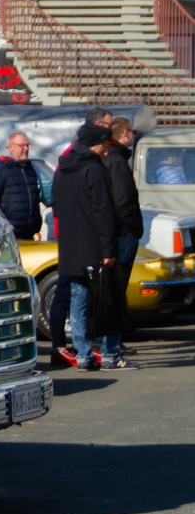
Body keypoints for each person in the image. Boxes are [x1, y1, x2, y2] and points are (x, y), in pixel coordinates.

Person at [50, 123, 119, 371]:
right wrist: (109, 249)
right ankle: (104, 351)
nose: (106, 150)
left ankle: (83, 353)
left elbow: (55, 205)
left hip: (70, 244)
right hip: (92, 244)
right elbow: (103, 212)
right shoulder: (94, 170)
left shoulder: (62, 169)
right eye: (104, 144)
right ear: (96, 144)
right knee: (99, 298)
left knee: (76, 298)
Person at [99, 118, 143, 368]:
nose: (134, 136)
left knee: (110, 293)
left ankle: (108, 346)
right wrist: (134, 228)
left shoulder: (110, 158)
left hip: (116, 233)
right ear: (125, 133)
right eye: (132, 132)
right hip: (123, 234)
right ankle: (110, 350)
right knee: (115, 293)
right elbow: (123, 201)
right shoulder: (116, 160)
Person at [0, 132, 43, 240]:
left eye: (27, 145)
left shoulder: (29, 169)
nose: (26, 149)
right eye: (22, 145)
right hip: (8, 233)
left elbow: (34, 198)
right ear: (11, 147)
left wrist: (37, 222)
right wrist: (1, 227)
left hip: (29, 233)